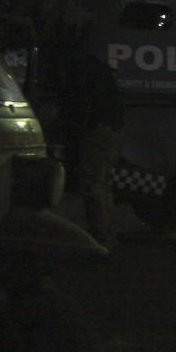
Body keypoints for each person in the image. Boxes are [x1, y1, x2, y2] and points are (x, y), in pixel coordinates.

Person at [61, 49, 124, 250]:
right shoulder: (97, 68)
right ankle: (106, 236)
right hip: (110, 128)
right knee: (102, 184)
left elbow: (81, 105)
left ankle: (100, 239)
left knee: (93, 185)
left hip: (98, 129)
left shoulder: (81, 69)